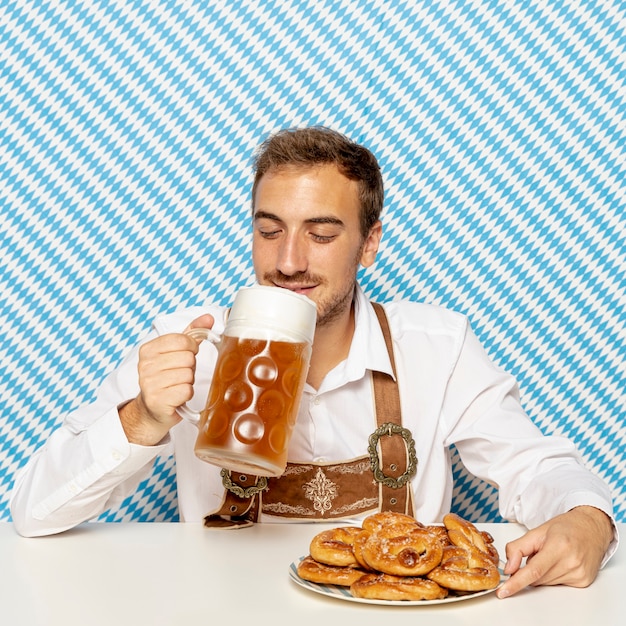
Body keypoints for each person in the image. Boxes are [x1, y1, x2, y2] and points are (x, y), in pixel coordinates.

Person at [11, 126, 617, 599]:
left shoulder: (438, 345)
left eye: (322, 235)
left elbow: (537, 467)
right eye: (269, 230)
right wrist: (139, 420)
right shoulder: (186, 343)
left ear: (370, 241)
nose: (290, 261)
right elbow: (32, 512)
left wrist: (588, 519)